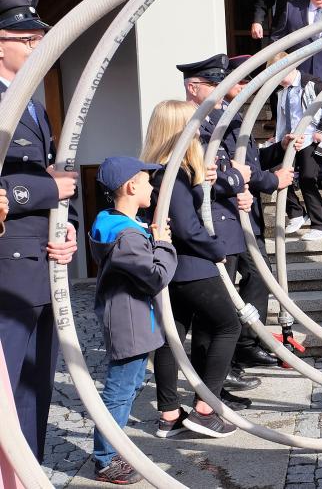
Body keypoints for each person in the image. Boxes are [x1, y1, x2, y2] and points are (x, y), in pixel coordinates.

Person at [0, 0, 79, 461]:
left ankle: (28, 470)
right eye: (27, 40)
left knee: (36, 388)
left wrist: (62, 227)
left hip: (41, 263)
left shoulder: (32, 104)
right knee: (6, 389)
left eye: (38, 39)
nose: (37, 48)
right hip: (8, 270)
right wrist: (52, 191)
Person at [142, 100, 240, 439]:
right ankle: (205, 408)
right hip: (193, 267)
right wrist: (216, 250)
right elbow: (185, 226)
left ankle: (169, 415)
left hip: (171, 267)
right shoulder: (174, 175)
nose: (200, 129)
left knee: (172, 338)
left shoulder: (156, 171)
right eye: (193, 123)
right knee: (229, 325)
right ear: (177, 130)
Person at [178, 55, 274, 400]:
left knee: (217, 318)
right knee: (210, 319)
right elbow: (204, 176)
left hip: (227, 221)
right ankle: (209, 391)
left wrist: (238, 183)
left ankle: (215, 387)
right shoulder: (192, 123)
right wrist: (237, 182)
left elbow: (232, 169)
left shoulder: (218, 119)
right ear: (194, 88)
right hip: (211, 224)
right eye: (214, 85)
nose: (222, 92)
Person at [87, 157, 177, 484]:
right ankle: (105, 459)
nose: (153, 186)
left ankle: (113, 448)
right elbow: (155, 277)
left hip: (135, 320)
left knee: (129, 385)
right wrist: (164, 243)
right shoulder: (126, 236)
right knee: (120, 391)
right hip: (130, 322)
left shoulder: (119, 224)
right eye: (148, 181)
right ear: (131, 186)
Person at [222, 55, 301, 389]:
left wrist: (275, 150)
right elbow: (233, 171)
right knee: (227, 289)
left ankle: (246, 343)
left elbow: (248, 160)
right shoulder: (220, 121)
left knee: (258, 280)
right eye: (242, 82)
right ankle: (232, 352)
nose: (247, 88)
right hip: (227, 218)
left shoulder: (238, 116)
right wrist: (273, 180)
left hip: (247, 219)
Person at [268, 51, 322, 241]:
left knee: (308, 178)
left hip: (310, 139)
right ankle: (296, 213)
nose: (275, 79)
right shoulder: (281, 93)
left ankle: (320, 226)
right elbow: (285, 119)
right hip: (290, 141)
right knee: (276, 172)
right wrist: (277, 138)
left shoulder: (311, 83)